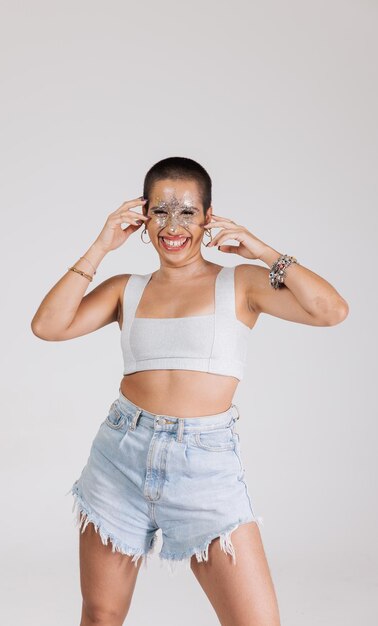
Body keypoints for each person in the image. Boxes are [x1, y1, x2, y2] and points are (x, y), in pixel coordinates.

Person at [31, 156, 349, 626]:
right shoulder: (126, 289)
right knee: (101, 615)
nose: (173, 225)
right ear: (143, 218)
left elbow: (331, 310)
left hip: (204, 462)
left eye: (187, 212)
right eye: (161, 211)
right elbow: (48, 326)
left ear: (208, 217)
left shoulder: (239, 284)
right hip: (120, 455)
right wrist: (101, 246)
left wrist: (261, 249)